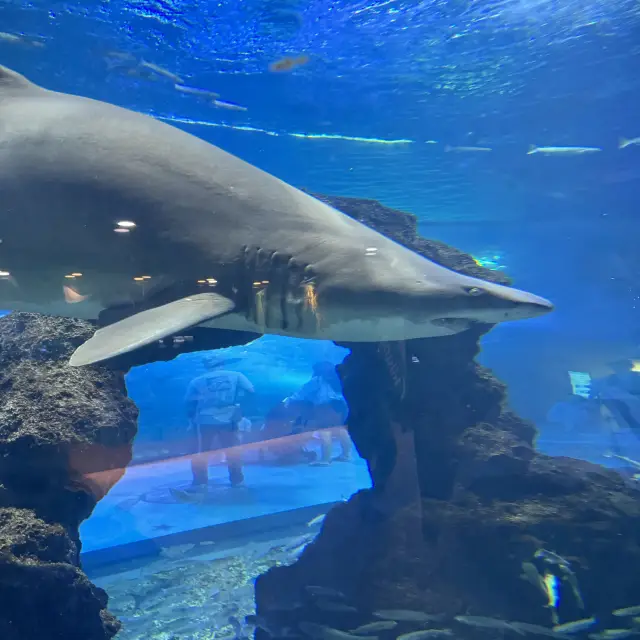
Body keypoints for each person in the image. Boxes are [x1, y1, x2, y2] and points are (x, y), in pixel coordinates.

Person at [183, 356, 254, 490]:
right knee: (232, 450)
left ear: (206, 366)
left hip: (204, 419)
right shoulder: (236, 375)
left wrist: (191, 420)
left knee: (201, 452)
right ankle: (237, 481)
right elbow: (251, 391)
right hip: (230, 417)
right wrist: (240, 408)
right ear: (222, 363)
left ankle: (200, 482)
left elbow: (188, 402)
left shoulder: (197, 381)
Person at [283, 360, 352, 465]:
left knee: (324, 432)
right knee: (341, 430)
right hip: (340, 408)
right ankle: (346, 455)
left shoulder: (318, 380)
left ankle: (325, 459)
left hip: (325, 408)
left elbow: (302, 393)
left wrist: (287, 401)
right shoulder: (338, 379)